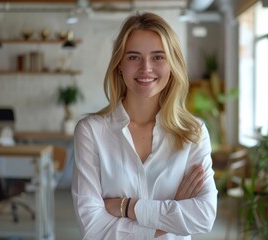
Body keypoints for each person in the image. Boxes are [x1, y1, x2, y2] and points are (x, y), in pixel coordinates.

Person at [72, 11, 218, 240]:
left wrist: (128, 207)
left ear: (172, 64)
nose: (146, 68)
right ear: (119, 64)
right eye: (133, 57)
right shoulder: (91, 131)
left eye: (158, 57)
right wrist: (173, 211)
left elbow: (204, 217)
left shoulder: (193, 133)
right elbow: (93, 228)